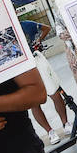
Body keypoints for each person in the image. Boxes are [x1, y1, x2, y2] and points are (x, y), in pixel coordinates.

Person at [18, 16, 72, 144]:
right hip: (22, 68)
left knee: (54, 92)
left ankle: (65, 123)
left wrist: (38, 42)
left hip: (36, 60)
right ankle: (50, 132)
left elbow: (46, 28)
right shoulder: (7, 32)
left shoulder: (25, 24)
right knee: (33, 102)